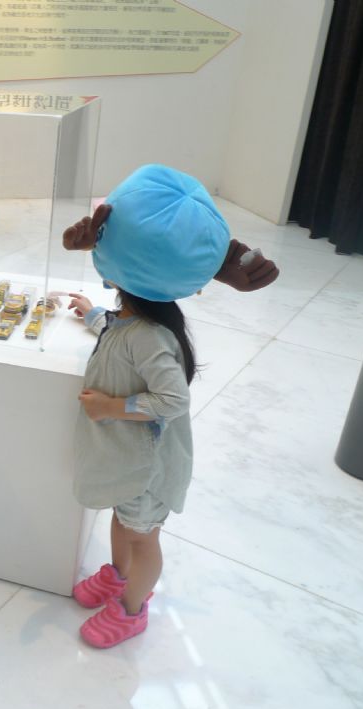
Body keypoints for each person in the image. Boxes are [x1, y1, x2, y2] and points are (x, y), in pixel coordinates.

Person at [64, 164, 232, 649]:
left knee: (143, 537)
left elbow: (173, 399)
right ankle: (118, 576)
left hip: (148, 470)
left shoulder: (150, 337)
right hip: (128, 462)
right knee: (123, 522)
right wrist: (92, 314)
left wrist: (111, 407)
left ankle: (133, 608)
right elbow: (116, 330)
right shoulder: (136, 319)